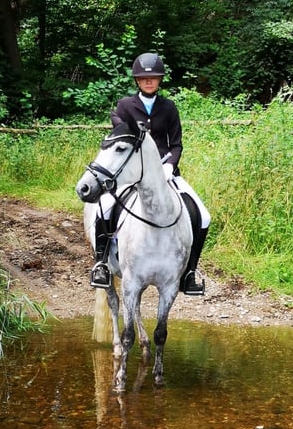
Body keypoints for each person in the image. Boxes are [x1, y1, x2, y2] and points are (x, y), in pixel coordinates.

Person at [90, 52, 211, 296]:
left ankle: (189, 273)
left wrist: (169, 166)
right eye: (144, 78)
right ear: (137, 80)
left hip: (165, 173)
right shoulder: (125, 106)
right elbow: (119, 141)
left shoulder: (169, 107)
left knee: (203, 215)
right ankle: (102, 264)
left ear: (159, 80)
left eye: (153, 78)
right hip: (131, 174)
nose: (149, 82)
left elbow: (176, 143)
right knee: (103, 206)